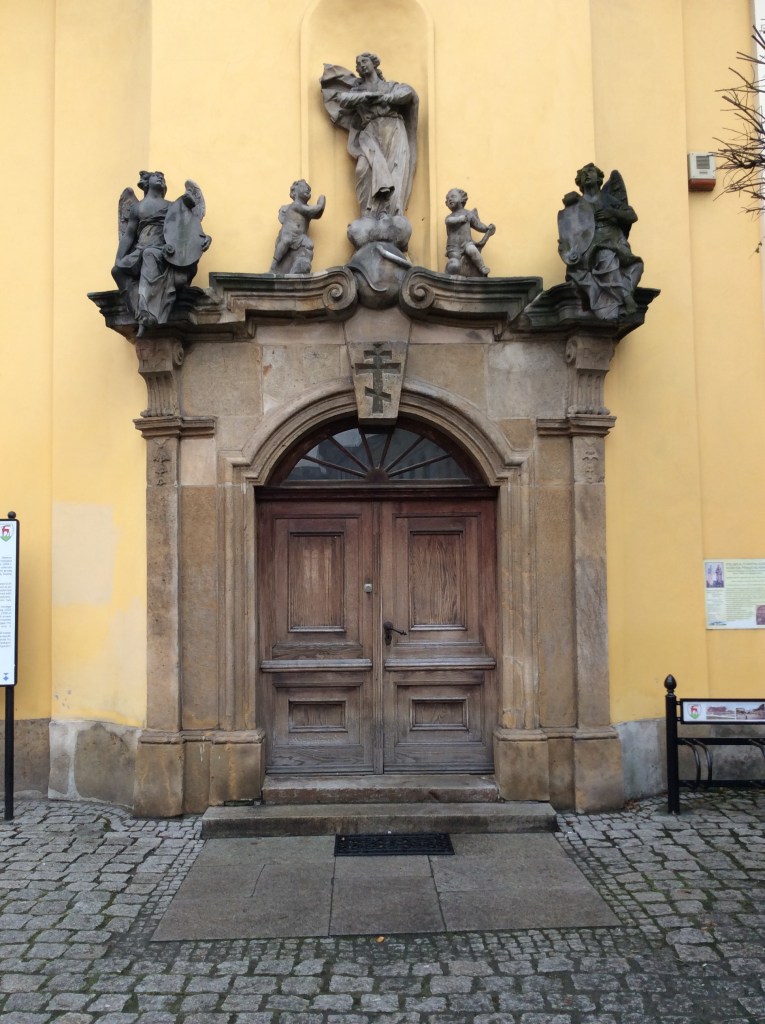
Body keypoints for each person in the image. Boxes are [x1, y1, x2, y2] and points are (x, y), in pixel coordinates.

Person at [112, 171, 210, 335]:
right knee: (117, 271)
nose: (160, 178)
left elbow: (188, 229)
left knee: (149, 255)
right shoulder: (137, 207)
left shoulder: (173, 206)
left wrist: (204, 239)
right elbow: (129, 235)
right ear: (146, 182)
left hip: (164, 251)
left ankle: (147, 314)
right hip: (140, 249)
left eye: (162, 177)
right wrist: (119, 258)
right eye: (156, 176)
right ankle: (138, 310)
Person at [321, 53, 418, 217]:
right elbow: (344, 99)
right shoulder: (357, 91)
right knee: (363, 168)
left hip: (392, 129)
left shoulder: (390, 86)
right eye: (358, 63)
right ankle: (369, 213)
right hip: (369, 133)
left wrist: (387, 98)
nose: (361, 65)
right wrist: (367, 96)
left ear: (374, 64)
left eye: (364, 61)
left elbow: (408, 93)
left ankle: (390, 213)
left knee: (395, 168)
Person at [558, 163, 643, 320]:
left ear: (599, 178)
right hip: (588, 247)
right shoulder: (577, 204)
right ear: (579, 182)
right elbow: (570, 232)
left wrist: (611, 212)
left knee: (606, 256)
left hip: (611, 240)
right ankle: (622, 299)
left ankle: (623, 300)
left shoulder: (607, 199)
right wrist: (567, 249)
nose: (587, 175)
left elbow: (632, 215)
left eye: (590, 171)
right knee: (596, 260)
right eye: (583, 174)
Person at [270, 180, 326, 274]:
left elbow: (317, 214)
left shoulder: (306, 207)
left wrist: (321, 206)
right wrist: (320, 204)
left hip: (299, 237)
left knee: (309, 244)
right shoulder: (296, 205)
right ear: (295, 192)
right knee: (285, 241)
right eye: (304, 187)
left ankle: (297, 268)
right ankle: (274, 266)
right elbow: (312, 210)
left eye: (309, 189)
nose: (308, 189)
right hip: (289, 233)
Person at [444, 188, 496, 276]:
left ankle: (482, 267)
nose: (449, 199)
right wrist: (459, 219)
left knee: (473, 251)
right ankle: (452, 272)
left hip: (466, 243)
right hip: (453, 247)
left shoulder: (468, 214)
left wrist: (486, 228)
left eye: (452, 196)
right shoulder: (450, 217)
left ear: (462, 198)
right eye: (447, 199)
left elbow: (478, 225)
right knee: (454, 261)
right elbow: (449, 221)